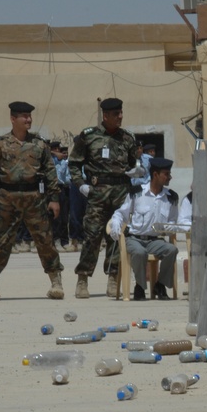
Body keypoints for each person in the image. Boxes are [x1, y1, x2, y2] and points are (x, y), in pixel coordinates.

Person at [0, 101, 64, 301]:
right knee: (1, 241)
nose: (28, 119)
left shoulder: (39, 144)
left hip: (34, 197)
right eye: (23, 116)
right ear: (13, 119)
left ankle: (56, 281)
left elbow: (50, 172)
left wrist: (54, 198)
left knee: (45, 240)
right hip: (7, 198)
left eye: (29, 116)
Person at [69, 97, 138, 299]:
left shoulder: (127, 138)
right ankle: (82, 279)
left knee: (117, 235)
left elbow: (132, 164)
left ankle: (113, 278)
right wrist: (81, 185)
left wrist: (137, 172)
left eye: (121, 113)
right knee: (92, 236)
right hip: (97, 193)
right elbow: (74, 164)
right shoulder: (88, 136)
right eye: (116, 114)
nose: (120, 117)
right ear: (105, 116)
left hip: (121, 193)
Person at [107, 158, 190, 300]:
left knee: (172, 250)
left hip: (155, 240)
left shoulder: (171, 198)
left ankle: (160, 284)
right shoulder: (137, 193)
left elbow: (172, 222)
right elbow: (121, 213)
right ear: (155, 175)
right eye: (166, 173)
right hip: (135, 238)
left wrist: (165, 227)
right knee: (140, 252)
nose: (169, 177)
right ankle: (139, 286)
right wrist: (116, 226)